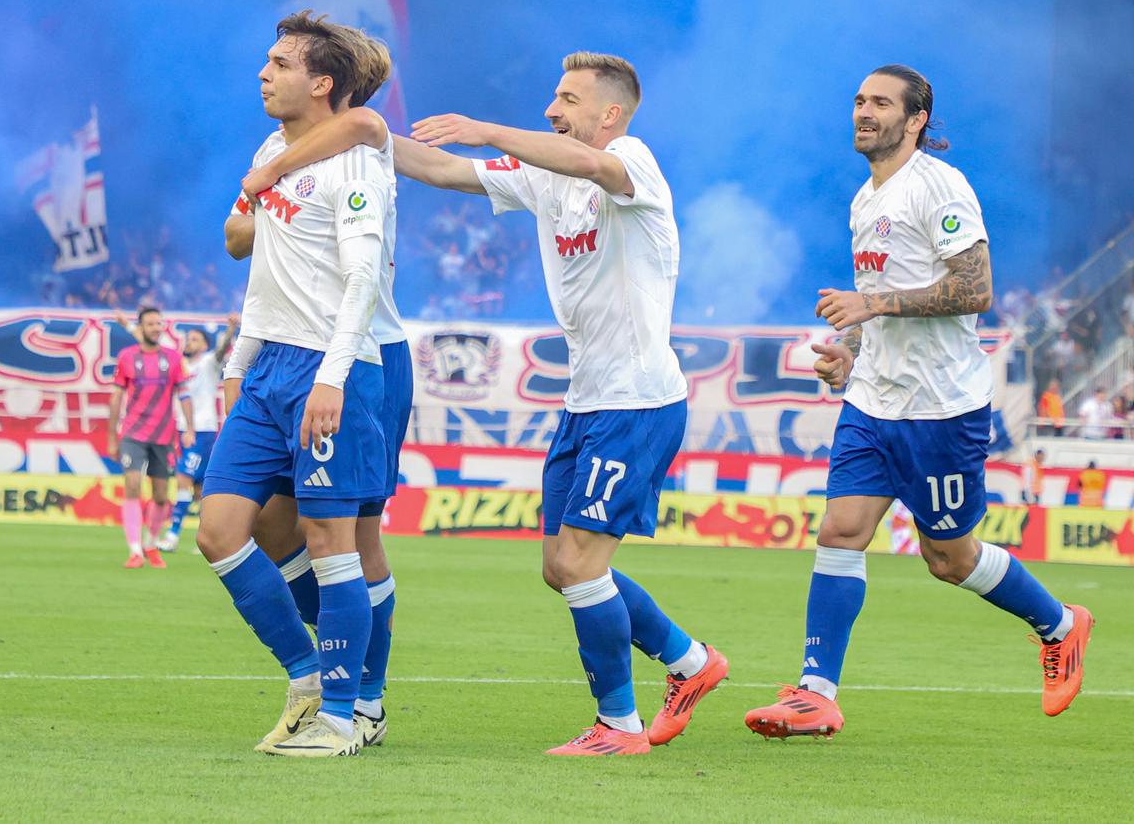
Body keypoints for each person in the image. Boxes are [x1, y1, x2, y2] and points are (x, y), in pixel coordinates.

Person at [381, 51, 725, 756]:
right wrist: (361, 137)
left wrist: (483, 126)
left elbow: (595, 167)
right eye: (553, 96)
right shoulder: (546, 176)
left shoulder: (632, 158)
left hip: (637, 403)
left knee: (581, 564)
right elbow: (445, 169)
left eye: (567, 98)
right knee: (559, 566)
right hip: (586, 402)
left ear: (610, 114)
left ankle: (618, 725)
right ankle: (692, 662)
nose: (551, 108)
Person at [744, 64, 1092, 739]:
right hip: (876, 400)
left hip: (942, 410)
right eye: (858, 100)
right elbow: (881, 301)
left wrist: (868, 304)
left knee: (948, 557)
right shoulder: (864, 199)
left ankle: (1060, 623)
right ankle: (816, 692)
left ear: (917, 119)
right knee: (841, 529)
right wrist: (851, 346)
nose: (864, 111)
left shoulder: (941, 187)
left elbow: (976, 288)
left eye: (880, 102)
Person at [195, 11, 393, 758]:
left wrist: (333, 377)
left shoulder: (356, 163)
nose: (262, 72)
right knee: (219, 531)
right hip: (268, 364)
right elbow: (255, 262)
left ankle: (344, 717)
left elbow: (361, 279)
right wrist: (240, 364)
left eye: (279, 62)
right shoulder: (271, 148)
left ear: (322, 82)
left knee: (332, 540)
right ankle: (309, 678)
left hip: (330, 366)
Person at [107, 306, 192, 569]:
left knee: (160, 495)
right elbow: (116, 397)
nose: (157, 327)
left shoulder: (173, 359)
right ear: (141, 327)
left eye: (160, 323)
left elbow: (184, 395)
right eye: (152, 324)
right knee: (132, 485)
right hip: (133, 433)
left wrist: (189, 428)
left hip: (164, 436)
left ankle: (150, 543)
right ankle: (134, 551)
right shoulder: (127, 357)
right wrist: (112, 436)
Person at [157, 314, 239, 553]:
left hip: (201, 430)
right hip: (183, 430)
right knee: (199, 489)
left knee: (183, 477)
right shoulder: (181, 367)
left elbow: (221, 349)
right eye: (188, 339)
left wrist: (230, 329)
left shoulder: (208, 363)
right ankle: (210, 537)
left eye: (194, 339)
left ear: (204, 345)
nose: (189, 342)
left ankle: (172, 536)